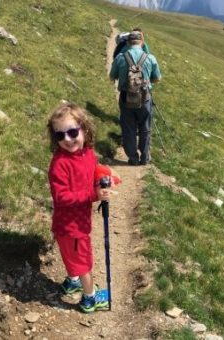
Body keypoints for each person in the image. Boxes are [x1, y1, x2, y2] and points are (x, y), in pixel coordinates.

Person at [46, 102, 110, 313]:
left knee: (74, 257)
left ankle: (73, 280)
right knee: (84, 262)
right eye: (60, 136)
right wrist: (93, 195)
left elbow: (92, 170)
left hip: (79, 222)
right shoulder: (60, 164)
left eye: (72, 132)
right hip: (71, 226)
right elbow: (62, 197)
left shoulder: (88, 152)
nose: (67, 139)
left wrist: (101, 176)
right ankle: (90, 299)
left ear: (84, 129)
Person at [109, 29, 161, 166]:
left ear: (128, 42)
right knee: (145, 128)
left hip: (126, 98)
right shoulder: (150, 58)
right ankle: (145, 157)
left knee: (128, 128)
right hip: (145, 98)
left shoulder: (120, 57)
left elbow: (112, 76)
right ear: (141, 42)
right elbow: (157, 79)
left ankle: (133, 158)